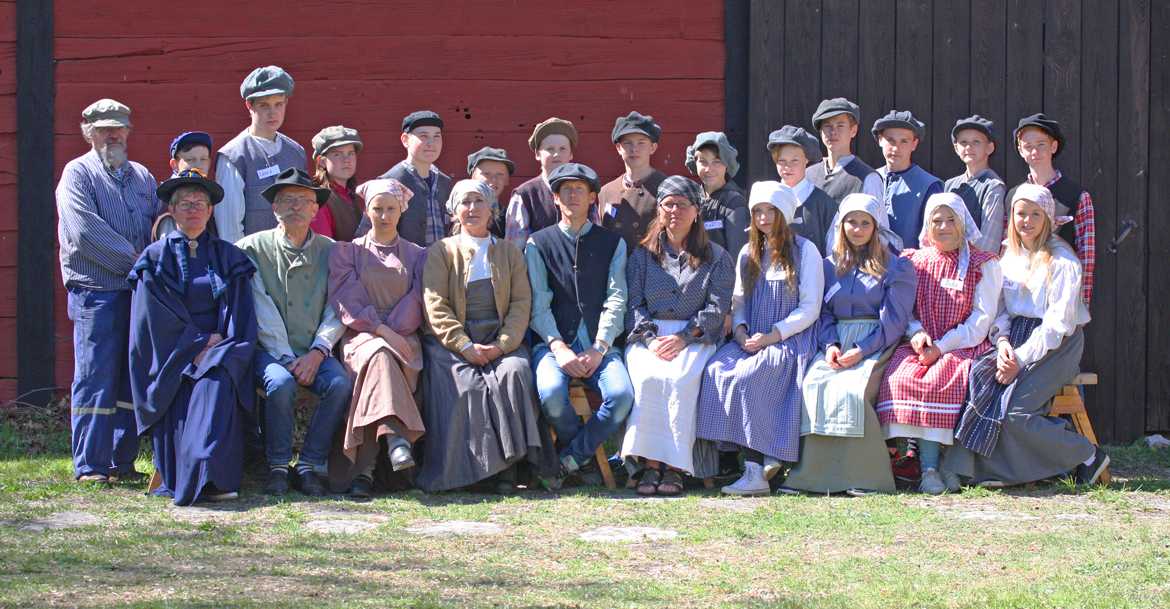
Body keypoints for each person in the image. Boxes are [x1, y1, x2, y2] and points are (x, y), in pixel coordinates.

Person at [944, 184, 1107, 486]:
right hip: (1015, 338)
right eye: (1021, 214)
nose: (1027, 221)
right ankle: (975, 470)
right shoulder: (1008, 256)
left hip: (1055, 346)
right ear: (1012, 217)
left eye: (1035, 214)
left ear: (1048, 219)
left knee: (1016, 411)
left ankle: (1086, 454)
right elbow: (1001, 310)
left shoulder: (1062, 261)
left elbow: (1057, 324)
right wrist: (1003, 342)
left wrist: (1019, 358)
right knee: (981, 381)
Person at [419, 180, 558, 494]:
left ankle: (509, 469)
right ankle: (471, 472)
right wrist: (463, 344)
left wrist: (502, 346)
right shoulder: (442, 251)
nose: (472, 209)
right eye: (465, 202)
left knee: (516, 373)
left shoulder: (509, 252)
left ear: (492, 208)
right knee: (466, 385)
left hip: (500, 339)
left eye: (479, 202)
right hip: (452, 342)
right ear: (455, 211)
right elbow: (435, 304)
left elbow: (522, 303)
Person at [128, 170, 258, 505]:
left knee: (217, 375)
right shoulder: (154, 259)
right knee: (192, 376)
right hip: (172, 350)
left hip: (223, 344)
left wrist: (217, 343)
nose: (193, 209)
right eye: (184, 204)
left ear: (211, 211)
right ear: (171, 211)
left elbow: (241, 315)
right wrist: (197, 342)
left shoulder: (230, 257)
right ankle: (194, 474)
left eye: (200, 203)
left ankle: (210, 473)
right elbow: (150, 319)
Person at [696, 181, 823, 496]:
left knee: (754, 374)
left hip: (790, 338)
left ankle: (755, 471)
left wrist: (771, 337)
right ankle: (751, 457)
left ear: (784, 214)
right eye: (758, 211)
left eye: (771, 211)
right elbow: (738, 304)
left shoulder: (805, 251)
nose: (764, 218)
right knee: (716, 369)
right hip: (751, 337)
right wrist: (740, 332)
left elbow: (810, 309)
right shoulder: (747, 252)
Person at [783, 194, 915, 496]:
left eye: (865, 223)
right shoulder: (829, 267)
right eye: (851, 222)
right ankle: (810, 476)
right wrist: (829, 344)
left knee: (853, 390)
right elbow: (824, 311)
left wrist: (863, 350)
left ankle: (864, 475)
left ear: (875, 227)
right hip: (836, 339)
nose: (857, 228)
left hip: (877, 340)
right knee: (814, 383)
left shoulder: (896, 267)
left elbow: (894, 321)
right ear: (841, 226)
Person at [57, 99, 159, 483]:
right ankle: (91, 465)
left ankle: (122, 460)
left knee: (129, 378)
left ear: (129, 131)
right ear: (89, 133)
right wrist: (139, 265)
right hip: (96, 292)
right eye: (104, 129)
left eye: (119, 128)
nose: (113, 134)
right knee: (95, 375)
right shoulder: (77, 174)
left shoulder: (143, 177)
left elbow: (155, 227)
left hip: (137, 294)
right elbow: (84, 233)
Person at [876, 192, 1002, 495]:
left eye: (950, 221)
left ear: (963, 224)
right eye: (937, 221)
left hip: (963, 344)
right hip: (920, 343)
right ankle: (928, 467)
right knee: (902, 376)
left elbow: (981, 321)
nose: (944, 227)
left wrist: (942, 347)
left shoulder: (984, 263)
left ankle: (948, 465)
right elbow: (904, 308)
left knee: (941, 379)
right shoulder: (914, 261)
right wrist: (917, 334)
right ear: (927, 225)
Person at [236, 168, 351, 497]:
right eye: (286, 200)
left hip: (316, 348)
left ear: (316, 210)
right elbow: (259, 307)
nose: (295, 206)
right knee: (281, 382)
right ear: (274, 208)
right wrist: (286, 356)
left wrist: (318, 352)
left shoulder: (333, 251)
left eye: (304, 200)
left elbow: (338, 307)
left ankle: (309, 465)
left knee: (339, 384)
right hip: (268, 350)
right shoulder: (250, 249)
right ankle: (276, 466)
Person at [622, 176, 734, 496]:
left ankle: (675, 467)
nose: (675, 210)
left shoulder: (717, 257)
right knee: (648, 379)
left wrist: (685, 337)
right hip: (650, 336)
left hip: (695, 336)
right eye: (668, 204)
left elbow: (716, 307)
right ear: (659, 210)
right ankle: (652, 464)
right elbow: (633, 303)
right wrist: (650, 339)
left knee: (682, 379)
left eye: (683, 204)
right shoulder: (642, 256)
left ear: (696, 211)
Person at [526, 163, 635, 489]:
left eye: (580, 190)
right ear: (556, 198)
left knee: (621, 395)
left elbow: (617, 299)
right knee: (551, 394)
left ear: (592, 198)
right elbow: (538, 302)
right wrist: (558, 347)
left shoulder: (612, 243)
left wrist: (600, 347)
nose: (572, 195)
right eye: (565, 191)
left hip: (601, 345)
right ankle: (583, 461)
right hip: (552, 344)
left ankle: (569, 460)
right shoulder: (538, 243)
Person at [326, 179, 427, 497]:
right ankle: (396, 439)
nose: (384, 215)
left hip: (405, 337)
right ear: (367, 211)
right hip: (361, 337)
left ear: (401, 212)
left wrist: (395, 333)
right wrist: (382, 333)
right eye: (377, 208)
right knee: (379, 356)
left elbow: (418, 300)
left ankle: (364, 472)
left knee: (384, 358)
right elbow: (348, 300)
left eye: (390, 209)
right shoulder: (347, 253)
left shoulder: (417, 256)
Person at [1010, 114, 1094, 309]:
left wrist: (1082, 302)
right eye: (1028, 146)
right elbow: (1008, 248)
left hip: (1060, 295)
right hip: (1019, 298)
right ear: (1020, 150)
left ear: (1053, 147)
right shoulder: (1013, 196)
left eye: (1041, 144)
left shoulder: (1077, 195)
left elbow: (1086, 254)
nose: (1034, 151)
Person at [215, 66, 307, 244]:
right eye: (264, 106)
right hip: (254, 265)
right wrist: (243, 270)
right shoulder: (234, 157)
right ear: (250, 106)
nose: (272, 113)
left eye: (278, 105)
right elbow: (229, 230)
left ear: (286, 103)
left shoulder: (296, 152)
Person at [375, 111, 452, 248]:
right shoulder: (389, 181)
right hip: (403, 265)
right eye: (424, 136)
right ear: (405, 140)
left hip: (439, 265)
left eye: (437, 136)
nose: (432, 143)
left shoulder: (444, 182)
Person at [505, 118, 579, 250]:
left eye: (563, 148)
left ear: (571, 154)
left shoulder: (584, 191)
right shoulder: (524, 195)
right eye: (549, 149)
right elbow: (515, 251)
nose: (556, 154)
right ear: (538, 154)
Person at [599, 112, 668, 255]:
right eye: (627, 143)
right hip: (614, 272)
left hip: (654, 272)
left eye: (641, 143)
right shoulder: (606, 192)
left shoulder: (666, 187)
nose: (634, 149)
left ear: (653, 148)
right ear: (619, 148)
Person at [872, 110, 944, 247]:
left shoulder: (929, 186)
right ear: (880, 140)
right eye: (890, 140)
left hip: (911, 267)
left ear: (914, 144)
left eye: (904, 141)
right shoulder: (870, 179)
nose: (896, 148)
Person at [768, 125, 838, 256]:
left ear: (807, 159)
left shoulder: (825, 205)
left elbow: (833, 257)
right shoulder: (767, 199)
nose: (787, 167)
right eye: (781, 161)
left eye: (795, 161)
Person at [944, 116, 1006, 254]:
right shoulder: (949, 185)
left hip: (976, 269)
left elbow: (989, 244)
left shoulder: (993, 187)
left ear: (989, 148)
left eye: (976, 142)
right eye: (963, 142)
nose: (969, 147)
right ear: (956, 148)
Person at [686, 132, 750, 261]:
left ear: (727, 165)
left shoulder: (734, 203)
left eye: (716, 162)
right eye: (703, 162)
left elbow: (737, 258)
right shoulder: (690, 199)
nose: (709, 169)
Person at [806, 98, 884, 202]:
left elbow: (877, 218)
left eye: (840, 126)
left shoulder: (868, 178)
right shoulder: (808, 175)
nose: (833, 132)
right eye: (827, 125)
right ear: (821, 131)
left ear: (854, 130)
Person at [309, 126, 365, 242]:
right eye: (338, 154)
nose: (346, 160)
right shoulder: (321, 201)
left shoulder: (352, 195)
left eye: (351, 153)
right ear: (322, 161)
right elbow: (323, 249)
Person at [467, 146, 515, 238]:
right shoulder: (466, 216)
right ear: (473, 178)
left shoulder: (510, 218)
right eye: (486, 174)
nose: (493, 179)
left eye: (500, 174)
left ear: (507, 180)